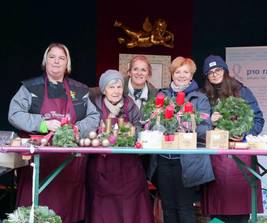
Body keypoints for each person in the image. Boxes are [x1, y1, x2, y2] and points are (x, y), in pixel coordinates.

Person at [8, 43, 100, 222]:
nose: (56, 61)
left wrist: (76, 129)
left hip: (70, 164)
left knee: (68, 213)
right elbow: (14, 114)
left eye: (61, 58)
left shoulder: (80, 90)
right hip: (38, 162)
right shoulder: (30, 88)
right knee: (34, 209)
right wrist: (43, 124)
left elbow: (94, 116)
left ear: (67, 64)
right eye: (52, 57)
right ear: (45, 61)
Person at [147, 57, 215, 223]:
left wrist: (184, 124)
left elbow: (205, 128)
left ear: (192, 76)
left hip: (186, 161)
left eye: (186, 72)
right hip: (163, 160)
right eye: (178, 71)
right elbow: (149, 124)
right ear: (172, 74)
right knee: (168, 208)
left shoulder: (200, 98)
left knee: (184, 208)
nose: (182, 75)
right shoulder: (161, 95)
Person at [201, 55, 265, 223]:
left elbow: (258, 119)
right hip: (215, 158)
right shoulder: (203, 95)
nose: (214, 74)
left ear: (225, 70)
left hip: (241, 158)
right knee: (217, 211)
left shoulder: (241, 91)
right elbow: (196, 124)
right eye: (210, 72)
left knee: (241, 209)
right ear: (206, 76)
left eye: (218, 70)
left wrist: (244, 134)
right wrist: (209, 120)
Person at [86, 69, 154, 223]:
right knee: (104, 210)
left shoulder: (131, 106)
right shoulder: (94, 106)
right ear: (104, 90)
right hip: (101, 169)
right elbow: (88, 130)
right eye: (111, 87)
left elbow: (140, 129)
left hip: (128, 170)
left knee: (131, 208)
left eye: (118, 87)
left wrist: (130, 132)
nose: (116, 91)